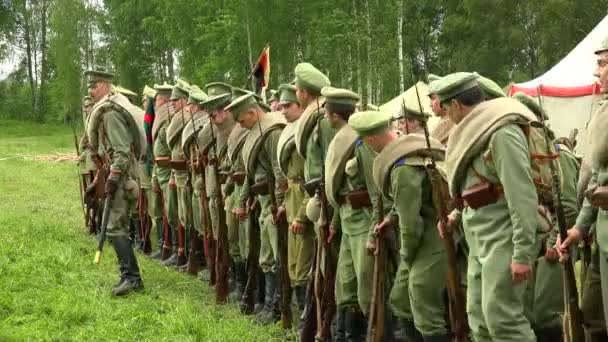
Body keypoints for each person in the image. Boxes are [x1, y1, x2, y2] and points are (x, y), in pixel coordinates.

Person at [437, 72, 538, 341]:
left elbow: (522, 195)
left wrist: (522, 253)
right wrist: (456, 215)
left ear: (457, 105)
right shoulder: (474, 133)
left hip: (504, 237)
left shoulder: (502, 132)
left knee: (504, 321)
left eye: (446, 108)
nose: (446, 116)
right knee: (479, 321)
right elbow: (474, 188)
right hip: (479, 237)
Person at [352, 109, 449, 341]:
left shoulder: (402, 167)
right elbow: (407, 204)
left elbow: (411, 224)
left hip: (433, 236)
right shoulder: (409, 152)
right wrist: (391, 217)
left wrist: (406, 254)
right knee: (400, 299)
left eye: (366, 141)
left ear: (373, 139)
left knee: (423, 301)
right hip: (425, 233)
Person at [557, 35, 608, 338]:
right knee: (592, 314)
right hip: (602, 234)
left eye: (603, 64)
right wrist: (579, 227)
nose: (596, 71)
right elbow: (598, 178)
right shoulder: (602, 111)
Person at [322, 86, 378, 340]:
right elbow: (339, 189)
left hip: (364, 222)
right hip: (346, 220)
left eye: (327, 111)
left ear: (335, 115)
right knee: (345, 286)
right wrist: (334, 220)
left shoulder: (359, 142)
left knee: (367, 290)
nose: (324, 116)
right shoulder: (342, 138)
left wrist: (374, 232)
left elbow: (376, 193)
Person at [226, 92, 286, 325]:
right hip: (261, 201)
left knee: (275, 255)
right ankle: (269, 303)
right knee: (266, 256)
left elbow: (278, 173)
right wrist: (242, 201)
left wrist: (279, 205)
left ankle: (277, 306)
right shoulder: (256, 130)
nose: (240, 125)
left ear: (252, 112)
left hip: (272, 202)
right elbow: (250, 176)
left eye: (242, 120)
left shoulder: (271, 132)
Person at [84, 69, 144, 296]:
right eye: (90, 86)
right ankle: (128, 274)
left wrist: (113, 177)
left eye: (95, 85)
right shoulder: (106, 110)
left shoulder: (110, 114)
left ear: (107, 85)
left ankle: (132, 278)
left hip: (122, 179)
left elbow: (121, 151)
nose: (91, 90)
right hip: (119, 176)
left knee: (115, 228)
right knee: (115, 228)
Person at [275, 83, 314, 315]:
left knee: (303, 265)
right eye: (280, 106)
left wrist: (301, 215)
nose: (282, 110)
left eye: (287, 105)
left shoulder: (306, 135)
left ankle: (307, 319)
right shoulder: (291, 131)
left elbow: (312, 180)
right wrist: (283, 205)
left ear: (300, 106)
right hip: (292, 202)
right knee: (293, 264)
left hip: (303, 205)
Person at [165, 79, 193, 268]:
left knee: (190, 218)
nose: (172, 103)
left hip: (187, 175)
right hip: (178, 173)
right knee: (179, 215)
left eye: (176, 100)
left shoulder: (187, 119)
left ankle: (192, 254)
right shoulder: (177, 119)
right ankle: (181, 251)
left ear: (184, 100)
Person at [151, 82, 178, 263]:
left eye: (159, 99)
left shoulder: (169, 118)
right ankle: (164, 245)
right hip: (160, 169)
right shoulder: (161, 116)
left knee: (173, 210)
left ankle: (176, 248)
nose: (156, 103)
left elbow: (172, 149)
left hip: (168, 169)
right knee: (161, 208)